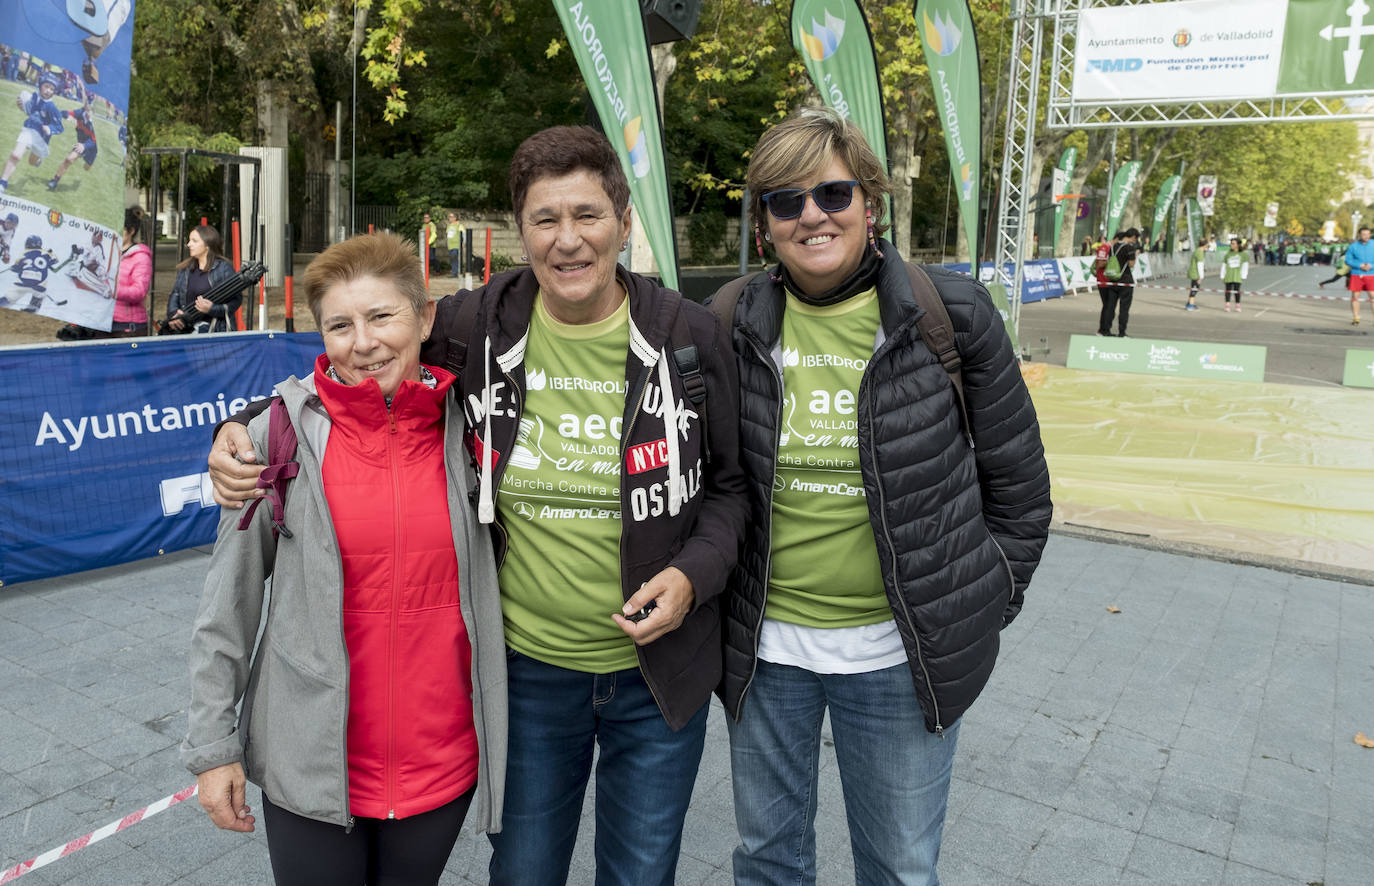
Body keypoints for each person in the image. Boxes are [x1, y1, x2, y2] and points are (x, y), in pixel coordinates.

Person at [206, 126, 748, 886]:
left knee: (640, 875)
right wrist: (244, 423)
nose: (568, 241)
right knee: (523, 874)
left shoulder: (690, 337)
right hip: (526, 673)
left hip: (661, 673)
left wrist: (692, 574)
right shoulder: (478, 323)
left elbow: (731, 490)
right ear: (519, 231)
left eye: (588, 215)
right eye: (544, 220)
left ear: (625, 221)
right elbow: (359, 357)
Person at [713, 107, 1052, 886]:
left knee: (898, 869)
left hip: (901, 656)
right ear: (765, 223)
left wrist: (982, 599)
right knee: (766, 863)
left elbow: (1021, 490)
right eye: (786, 201)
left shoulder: (952, 315)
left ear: (870, 202)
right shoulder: (729, 320)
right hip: (768, 654)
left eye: (832, 193)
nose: (813, 216)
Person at [182, 232, 507, 885]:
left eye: (382, 316)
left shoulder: (473, 428)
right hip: (310, 767)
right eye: (340, 325)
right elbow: (228, 606)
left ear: (425, 318)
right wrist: (213, 748)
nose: (363, 343)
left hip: (440, 767)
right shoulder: (275, 439)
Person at [165, 224, 237, 332]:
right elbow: (175, 293)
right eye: (189, 241)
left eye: (194, 241)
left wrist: (212, 309)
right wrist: (173, 313)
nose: (189, 244)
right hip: (187, 332)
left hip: (216, 332)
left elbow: (235, 301)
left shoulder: (224, 268)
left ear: (208, 244)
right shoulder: (186, 269)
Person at [0, 73, 64, 195]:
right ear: (40, 86)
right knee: (16, 155)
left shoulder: (52, 108)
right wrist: (22, 106)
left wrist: (49, 128)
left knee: (32, 162)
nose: (48, 91)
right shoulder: (34, 96)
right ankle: (3, 183)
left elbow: (60, 127)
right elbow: (30, 111)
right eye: (46, 86)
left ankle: (37, 160)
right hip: (29, 129)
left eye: (52, 89)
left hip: (41, 138)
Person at [111, 206, 151, 335]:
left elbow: (139, 291)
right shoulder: (108, 253)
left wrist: (111, 290)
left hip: (128, 326)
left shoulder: (141, 257)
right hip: (104, 321)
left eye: (120, 230)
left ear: (131, 231)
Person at [46, 94, 98, 191]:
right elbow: (63, 112)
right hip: (81, 144)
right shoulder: (80, 113)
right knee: (69, 160)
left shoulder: (95, 124)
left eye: (90, 109)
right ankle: (55, 180)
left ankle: (88, 164)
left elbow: (95, 141)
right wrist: (68, 116)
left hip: (92, 148)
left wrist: (85, 146)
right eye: (87, 107)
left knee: (86, 168)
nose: (88, 111)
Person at [1098, 227, 1138, 337]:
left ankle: (1105, 330)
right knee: (1124, 308)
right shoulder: (1129, 248)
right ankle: (1122, 332)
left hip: (1113, 280)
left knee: (1110, 307)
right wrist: (1136, 255)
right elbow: (1131, 264)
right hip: (1125, 281)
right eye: (1135, 239)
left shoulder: (1113, 247)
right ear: (1133, 237)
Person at [1346, 226, 1374, 325]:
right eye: (1364, 234)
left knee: (1373, 296)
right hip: (1357, 274)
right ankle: (1356, 318)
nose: (1366, 236)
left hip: (1372, 274)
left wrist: (1372, 266)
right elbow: (1348, 260)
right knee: (1355, 296)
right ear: (1359, 235)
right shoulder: (1353, 246)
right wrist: (1359, 265)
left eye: (1368, 234)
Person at [1221, 236, 1248, 313]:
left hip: (1237, 275)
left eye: (1233, 243)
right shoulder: (1228, 254)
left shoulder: (1243, 254)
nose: (1231, 245)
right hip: (1229, 275)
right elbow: (1224, 265)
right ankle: (1227, 304)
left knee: (1237, 290)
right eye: (1231, 243)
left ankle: (1237, 305)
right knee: (1228, 290)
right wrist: (1222, 275)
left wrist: (1244, 275)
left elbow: (1245, 265)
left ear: (1238, 245)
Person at [1186, 238, 1205, 311]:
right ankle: (1190, 305)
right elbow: (1200, 265)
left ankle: (1189, 303)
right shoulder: (1200, 252)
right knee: (1195, 289)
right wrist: (1201, 277)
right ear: (1205, 245)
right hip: (1195, 273)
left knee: (1194, 288)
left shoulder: (1197, 251)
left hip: (1193, 272)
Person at [445, 211, 465, 277]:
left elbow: (464, 234)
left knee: (455, 258)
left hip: (457, 245)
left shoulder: (459, 225)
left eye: (451, 217)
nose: (450, 218)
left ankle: (456, 272)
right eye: (449, 217)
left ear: (455, 218)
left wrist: (464, 242)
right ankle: (455, 272)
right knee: (452, 259)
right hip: (450, 246)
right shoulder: (449, 226)